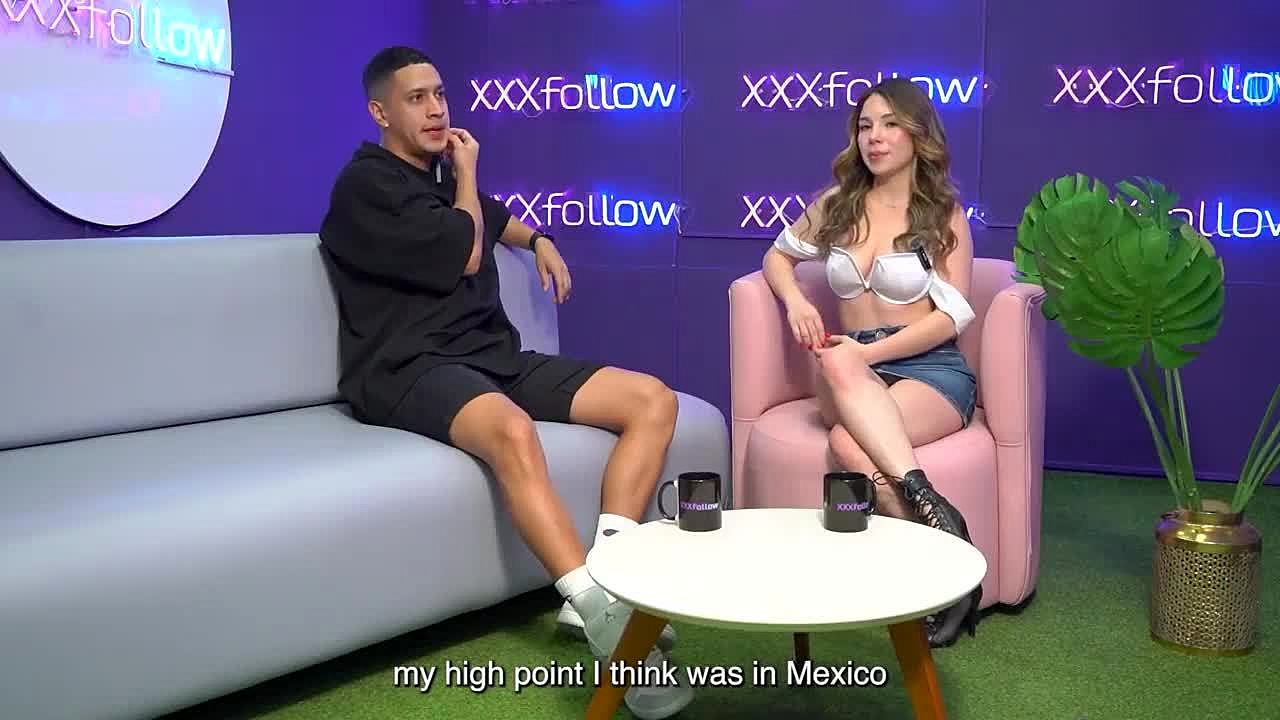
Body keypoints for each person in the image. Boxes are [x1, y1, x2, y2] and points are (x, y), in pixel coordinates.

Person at [318, 47, 693, 718]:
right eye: (416, 98)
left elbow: (495, 221)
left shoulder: (439, 182)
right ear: (380, 112)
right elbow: (466, 250)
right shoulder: (365, 187)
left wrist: (539, 239)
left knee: (651, 400)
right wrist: (467, 171)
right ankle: (598, 612)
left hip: (492, 358)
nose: (436, 109)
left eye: (440, 94)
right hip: (406, 367)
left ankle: (610, 572)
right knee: (514, 432)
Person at [761, 77, 983, 648]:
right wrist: (796, 302)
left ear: (917, 135)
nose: (874, 138)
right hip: (851, 369)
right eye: (865, 126)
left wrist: (868, 353)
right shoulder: (837, 205)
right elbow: (776, 258)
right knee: (837, 361)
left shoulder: (942, 214)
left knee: (847, 441)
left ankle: (926, 564)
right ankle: (939, 521)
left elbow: (952, 316)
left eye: (889, 125)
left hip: (928, 366)